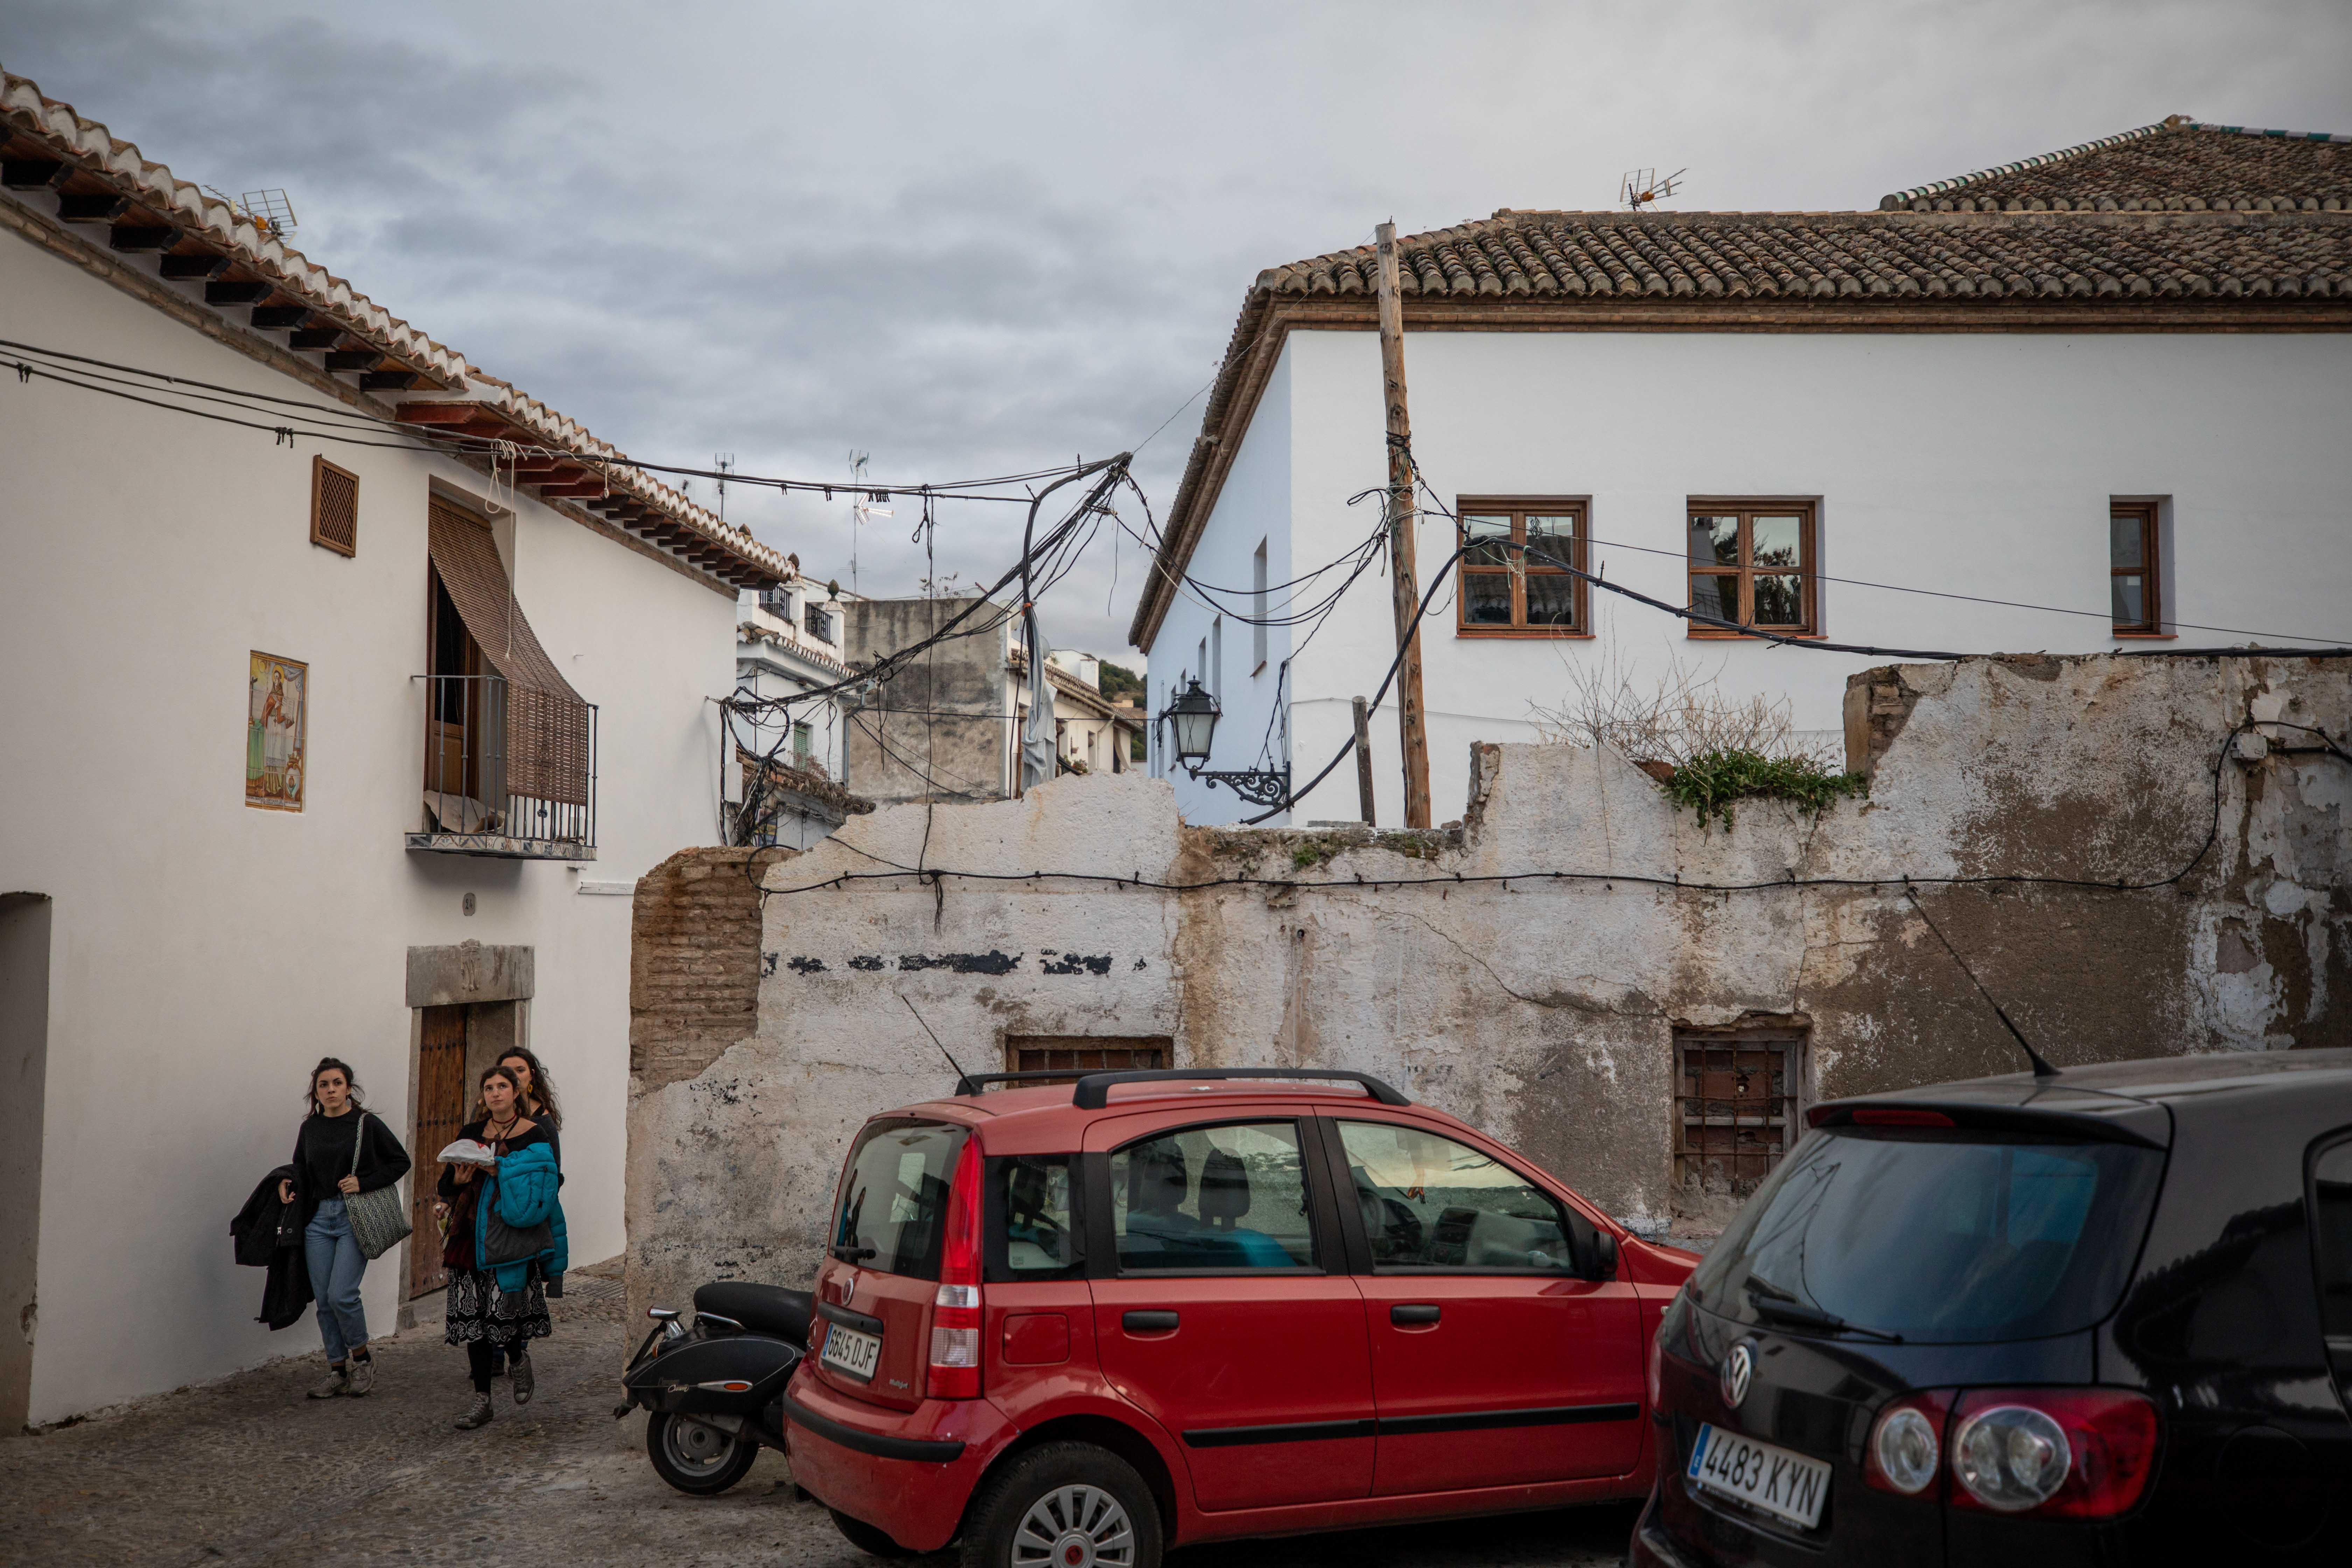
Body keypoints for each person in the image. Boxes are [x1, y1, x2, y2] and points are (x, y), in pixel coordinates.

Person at [435, 1064, 559, 1429]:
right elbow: (448, 1182)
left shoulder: (533, 1134)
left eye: (502, 1086)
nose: (495, 1093)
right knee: (475, 1322)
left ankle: (518, 1357)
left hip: (512, 1236)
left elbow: (544, 1181)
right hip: (471, 1236)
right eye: (488, 1087)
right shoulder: (472, 1133)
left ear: (516, 1091)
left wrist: (500, 1171)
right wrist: (456, 1183)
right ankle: (482, 1400)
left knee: (508, 1316)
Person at [279, 1057, 409, 1399]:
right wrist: (286, 1183)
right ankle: (337, 1370)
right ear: (316, 1092)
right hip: (318, 1219)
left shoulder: (366, 1123)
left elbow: (401, 1161)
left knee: (342, 1294)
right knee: (324, 1300)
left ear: (349, 1088)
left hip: (354, 1217)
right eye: (324, 1085)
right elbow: (300, 1167)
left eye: (337, 1083)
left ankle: (363, 1361)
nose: (331, 1089)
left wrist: (363, 1182)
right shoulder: (311, 1128)